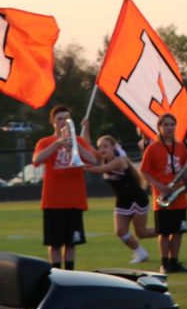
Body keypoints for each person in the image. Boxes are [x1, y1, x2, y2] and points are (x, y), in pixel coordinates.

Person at [32, 104, 98, 270]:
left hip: (74, 200)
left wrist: (76, 144)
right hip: (53, 201)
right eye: (59, 119)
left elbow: (93, 160)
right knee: (54, 244)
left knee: (71, 243)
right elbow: (37, 160)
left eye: (66, 119)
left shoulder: (79, 141)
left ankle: (69, 273)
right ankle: (55, 273)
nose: (63, 122)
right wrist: (57, 144)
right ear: (52, 122)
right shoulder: (45, 141)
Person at [140, 113, 187, 274]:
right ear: (159, 128)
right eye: (166, 125)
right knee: (163, 231)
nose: (169, 128)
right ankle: (164, 263)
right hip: (162, 196)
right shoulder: (153, 148)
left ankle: (174, 261)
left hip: (179, 194)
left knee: (178, 231)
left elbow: (185, 171)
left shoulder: (181, 147)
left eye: (172, 124)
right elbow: (145, 172)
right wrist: (159, 186)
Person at [94, 135, 154, 264]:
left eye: (105, 146)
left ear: (113, 148)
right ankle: (141, 253)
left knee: (141, 233)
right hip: (123, 201)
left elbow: (100, 170)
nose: (102, 149)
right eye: (99, 147)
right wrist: (86, 127)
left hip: (136, 199)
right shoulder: (104, 159)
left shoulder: (119, 160)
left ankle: (167, 230)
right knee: (120, 231)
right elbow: (86, 147)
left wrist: (80, 166)